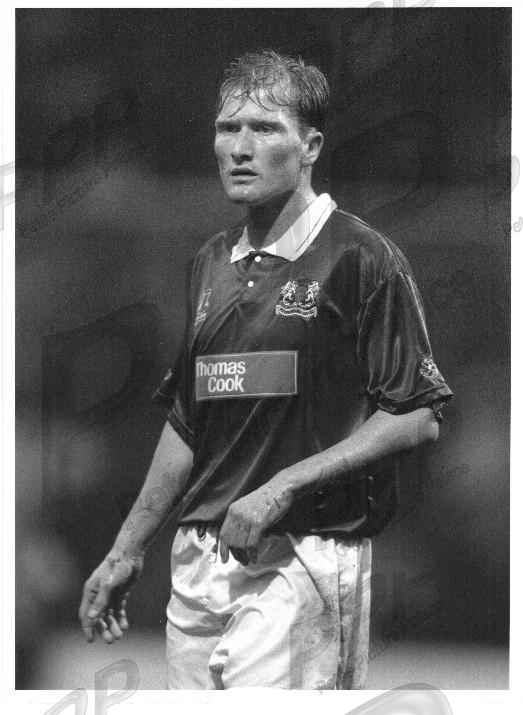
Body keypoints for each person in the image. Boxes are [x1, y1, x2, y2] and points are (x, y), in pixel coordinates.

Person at [79, 50, 453, 690]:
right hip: (198, 564)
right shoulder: (209, 261)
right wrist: (126, 547)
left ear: (310, 146)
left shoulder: (360, 257)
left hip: (301, 555)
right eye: (228, 128)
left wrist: (283, 486)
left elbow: (417, 413)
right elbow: (188, 420)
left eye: (264, 128)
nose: (240, 148)